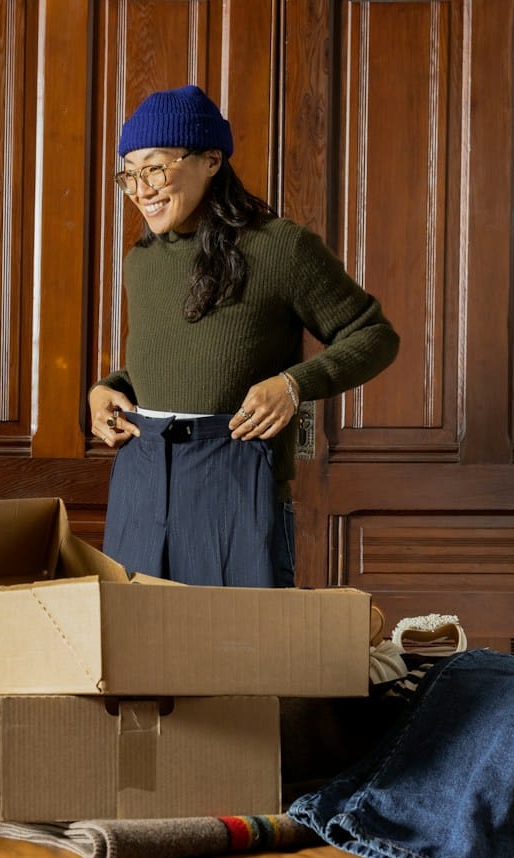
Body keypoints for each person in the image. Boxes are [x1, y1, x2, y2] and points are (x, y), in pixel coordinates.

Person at [88, 85, 398, 588]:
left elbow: (375, 336)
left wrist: (294, 384)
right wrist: (104, 389)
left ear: (211, 159)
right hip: (140, 481)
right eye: (129, 174)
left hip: (234, 478)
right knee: (134, 651)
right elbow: (167, 360)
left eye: (155, 167)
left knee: (240, 657)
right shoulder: (141, 262)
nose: (141, 189)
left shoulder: (280, 248)